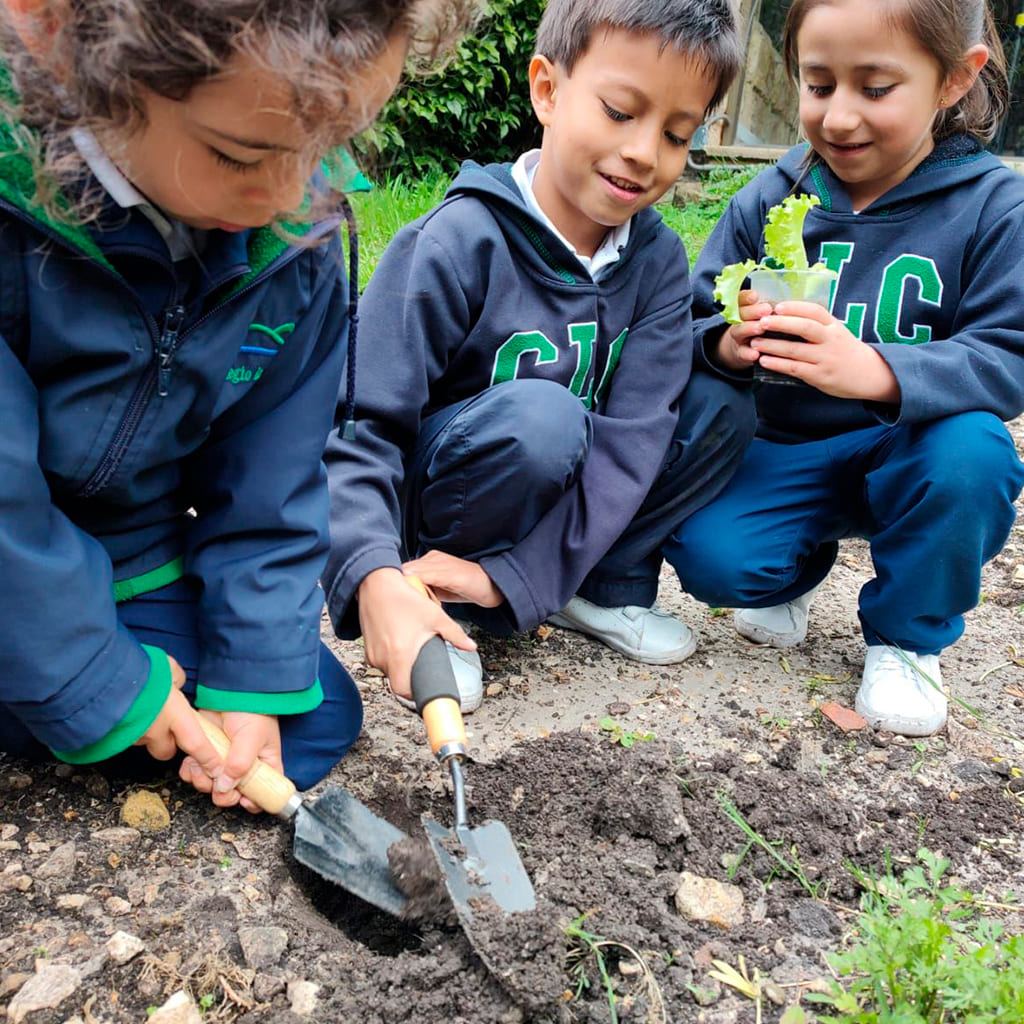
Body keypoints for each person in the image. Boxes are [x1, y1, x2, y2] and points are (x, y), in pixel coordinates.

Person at [0, 0, 477, 808]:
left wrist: (250, 682)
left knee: (306, 716)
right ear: (56, 33)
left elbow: (272, 492)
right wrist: (101, 680)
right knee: (81, 682)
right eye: (238, 154)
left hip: (124, 559)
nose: (291, 196)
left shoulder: (294, 237)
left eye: (327, 147)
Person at [323, 0, 754, 713]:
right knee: (544, 419)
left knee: (719, 404)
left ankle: (583, 585)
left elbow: (633, 441)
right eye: (620, 111)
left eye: (678, 134)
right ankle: (435, 605)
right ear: (548, 90)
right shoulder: (455, 242)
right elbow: (361, 425)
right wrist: (371, 569)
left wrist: (516, 575)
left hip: (559, 512)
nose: (645, 152)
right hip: (444, 499)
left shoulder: (657, 263)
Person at [668, 0, 1024, 736]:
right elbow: (699, 309)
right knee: (714, 562)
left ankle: (905, 638)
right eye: (818, 83)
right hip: (789, 446)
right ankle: (795, 572)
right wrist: (727, 340)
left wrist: (878, 372)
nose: (838, 117)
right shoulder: (775, 194)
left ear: (957, 78)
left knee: (972, 455)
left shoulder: (995, 207)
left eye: (875, 88)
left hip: (915, 450)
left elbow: (1008, 354)